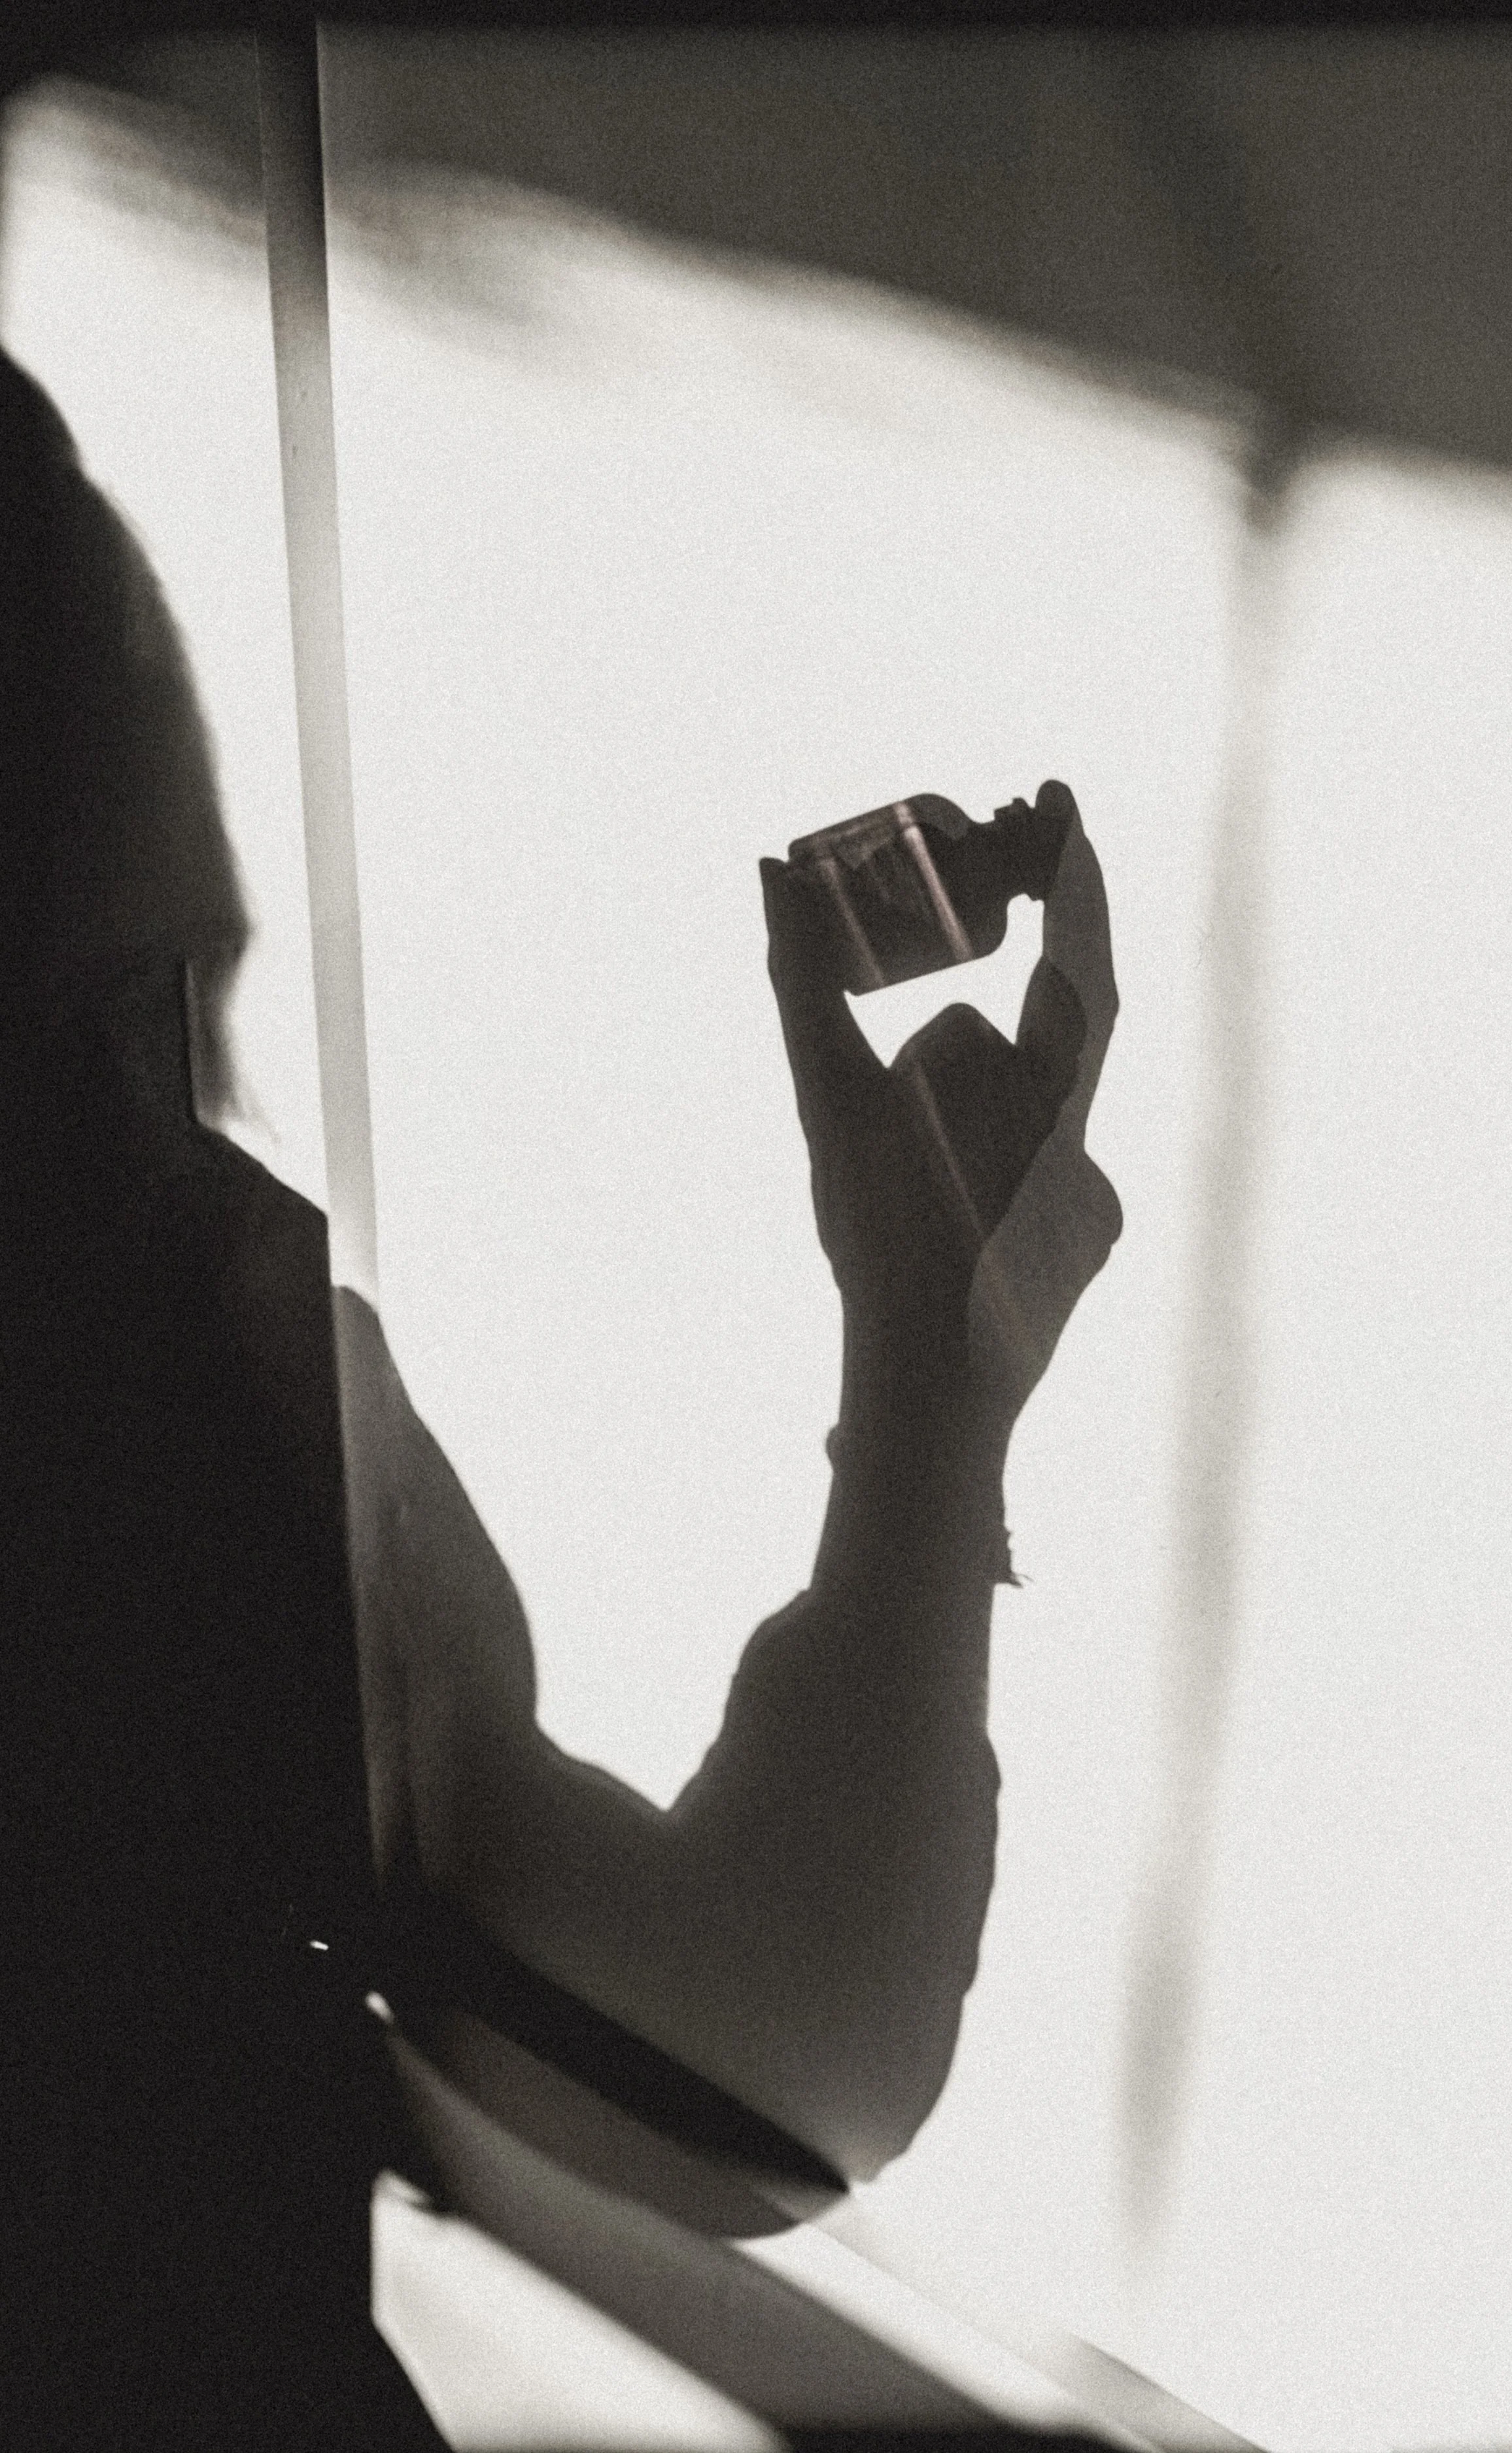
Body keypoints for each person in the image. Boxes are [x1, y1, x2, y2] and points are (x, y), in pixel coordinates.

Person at [0, 344, 1122, 2446]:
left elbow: (758, 2067)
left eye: (182, 1027)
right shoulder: (197, 1434)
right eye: (80, 1048)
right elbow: (758, 2079)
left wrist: (922, 1382)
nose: (256, 1199)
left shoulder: (242, 1432)